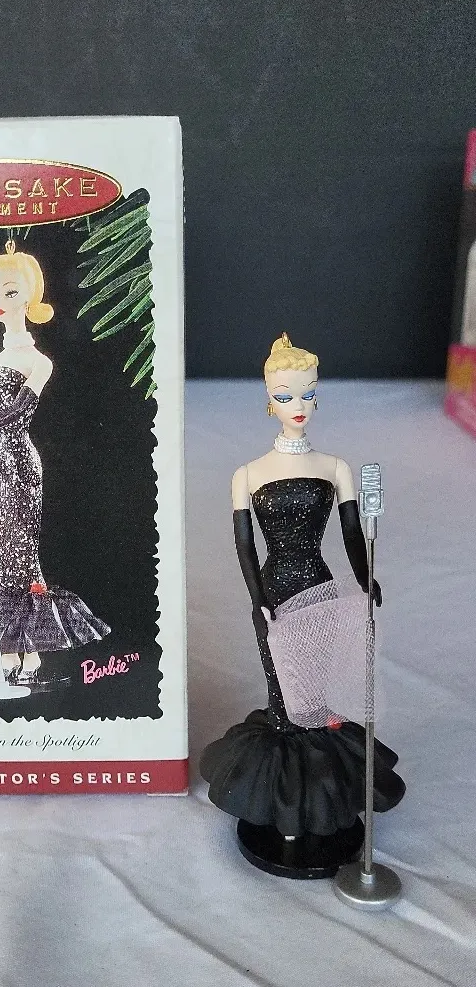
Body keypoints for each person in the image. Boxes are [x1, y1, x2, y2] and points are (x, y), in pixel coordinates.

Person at [200, 333, 405, 877]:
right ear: (268, 400)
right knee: (284, 699)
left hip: (319, 586)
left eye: (308, 393)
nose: (299, 405)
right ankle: (288, 809)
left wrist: (365, 579)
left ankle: (319, 804)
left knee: (318, 694)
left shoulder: (336, 467)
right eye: (286, 395)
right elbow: (245, 547)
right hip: (275, 592)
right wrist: (257, 601)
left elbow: (352, 533)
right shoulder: (248, 474)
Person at [0, 240, 110, 685]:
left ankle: (27, 654)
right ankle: (14, 652)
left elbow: (16, 413)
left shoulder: (37, 361)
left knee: (21, 554)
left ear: (30, 296)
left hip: (19, 464)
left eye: (9, 292)